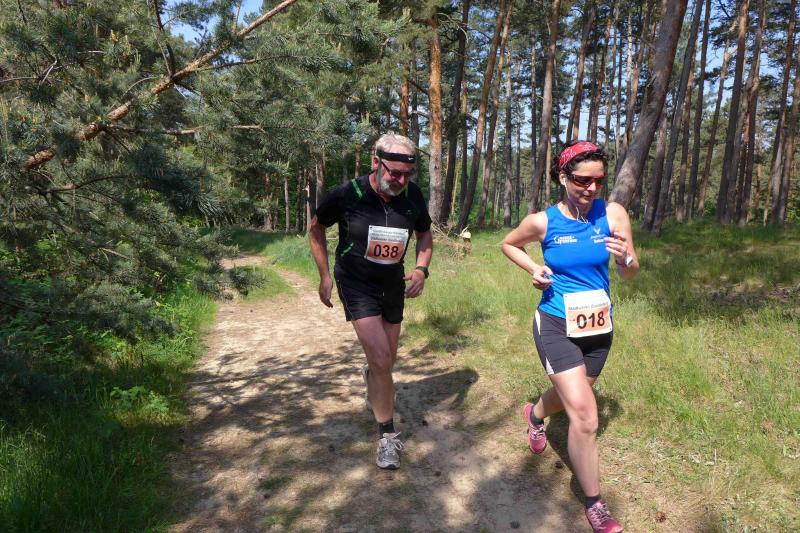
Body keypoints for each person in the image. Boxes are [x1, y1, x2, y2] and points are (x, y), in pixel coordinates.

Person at [501, 140, 639, 533]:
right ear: (563, 177)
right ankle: (595, 504)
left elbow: (631, 270)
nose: (591, 188)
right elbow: (508, 243)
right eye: (582, 180)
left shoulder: (613, 214)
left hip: (598, 328)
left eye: (599, 180)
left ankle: (535, 415)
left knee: (568, 398)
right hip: (556, 323)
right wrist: (533, 268)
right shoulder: (543, 221)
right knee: (586, 415)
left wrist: (625, 257)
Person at [308, 133, 433, 470]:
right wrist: (324, 275)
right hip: (356, 282)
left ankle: (375, 377)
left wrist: (421, 269)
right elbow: (316, 229)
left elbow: (424, 233)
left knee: (386, 361)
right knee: (380, 359)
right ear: (375, 163)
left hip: (392, 282)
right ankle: (387, 436)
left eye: (407, 175)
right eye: (394, 173)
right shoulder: (348, 193)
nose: (401, 181)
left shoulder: (412, 195)